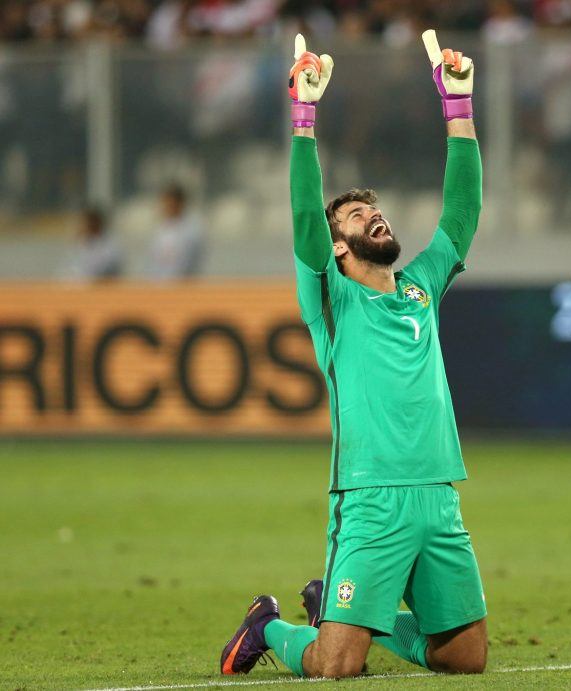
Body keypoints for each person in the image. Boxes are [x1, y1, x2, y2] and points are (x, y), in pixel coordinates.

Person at [219, 31, 487, 678]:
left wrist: (459, 107)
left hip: (438, 493)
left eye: (376, 209)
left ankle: (336, 606)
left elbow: (462, 211)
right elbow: (306, 220)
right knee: (335, 664)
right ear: (338, 248)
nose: (374, 216)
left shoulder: (420, 286)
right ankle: (270, 626)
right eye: (358, 215)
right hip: (370, 498)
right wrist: (304, 120)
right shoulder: (333, 301)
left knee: (464, 657)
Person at [147, 183, 204, 279]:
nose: (167, 207)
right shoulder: (160, 230)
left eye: (171, 203)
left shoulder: (192, 231)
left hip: (181, 287)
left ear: (180, 204)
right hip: (158, 287)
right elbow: (153, 261)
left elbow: (190, 263)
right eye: (165, 202)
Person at [63, 207, 123, 282]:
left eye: (89, 223)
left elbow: (108, 270)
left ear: (97, 223)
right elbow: (71, 268)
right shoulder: (82, 242)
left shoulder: (111, 245)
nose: (86, 226)